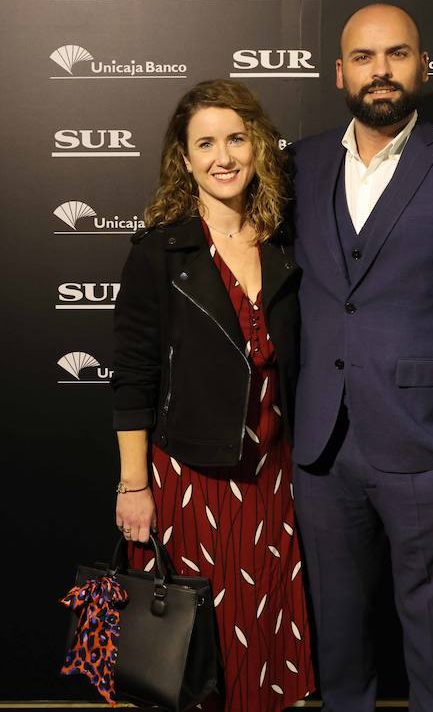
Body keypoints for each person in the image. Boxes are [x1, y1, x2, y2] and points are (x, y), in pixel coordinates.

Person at [290, 4, 433, 712]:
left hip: (428, 446)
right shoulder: (298, 165)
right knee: (338, 640)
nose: (380, 71)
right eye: (363, 57)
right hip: (322, 449)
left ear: (423, 66)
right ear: (340, 73)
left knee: (432, 640)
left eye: (396, 55)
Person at [111, 79, 314, 711]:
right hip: (189, 482)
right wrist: (133, 485)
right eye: (206, 143)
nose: (223, 156)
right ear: (185, 156)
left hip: (273, 481)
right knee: (192, 660)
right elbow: (132, 375)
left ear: (257, 146)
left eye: (236, 138)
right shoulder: (159, 252)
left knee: (264, 640)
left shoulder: (288, 246)